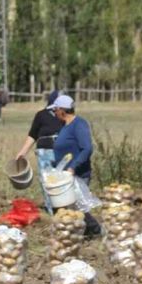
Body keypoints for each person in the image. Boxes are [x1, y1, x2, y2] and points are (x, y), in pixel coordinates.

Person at [50, 95, 101, 237]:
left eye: (55, 110)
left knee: (78, 207)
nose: (54, 113)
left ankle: (95, 230)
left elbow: (87, 148)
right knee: (69, 208)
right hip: (64, 175)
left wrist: (73, 167)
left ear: (62, 110)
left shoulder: (79, 124)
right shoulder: (64, 126)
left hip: (77, 174)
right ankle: (76, 235)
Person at [15, 90, 65, 214]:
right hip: (45, 152)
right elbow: (33, 135)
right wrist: (22, 152)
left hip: (63, 153)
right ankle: (51, 210)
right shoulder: (41, 115)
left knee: (62, 180)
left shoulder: (66, 115)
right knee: (47, 181)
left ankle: (63, 207)